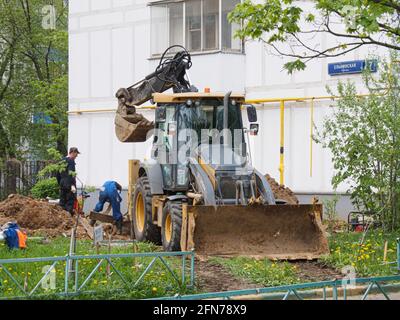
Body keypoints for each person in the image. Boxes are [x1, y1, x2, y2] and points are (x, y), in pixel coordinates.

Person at [57, 147, 80, 215]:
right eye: (76, 154)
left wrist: (60, 183)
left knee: (62, 201)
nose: (77, 156)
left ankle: (61, 216)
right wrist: (72, 185)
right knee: (70, 201)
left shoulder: (62, 160)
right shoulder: (71, 161)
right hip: (69, 184)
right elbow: (71, 173)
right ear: (73, 152)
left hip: (62, 183)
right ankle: (68, 216)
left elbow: (57, 174)